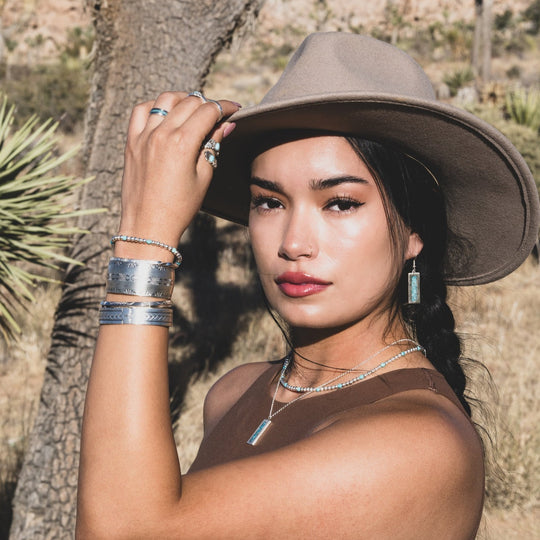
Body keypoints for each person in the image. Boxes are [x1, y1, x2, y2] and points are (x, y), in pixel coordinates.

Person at [76, 33, 539, 539]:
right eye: (269, 202)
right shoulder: (235, 393)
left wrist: (143, 245)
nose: (294, 243)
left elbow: (123, 531)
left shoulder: (419, 441)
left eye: (340, 203)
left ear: (414, 232)